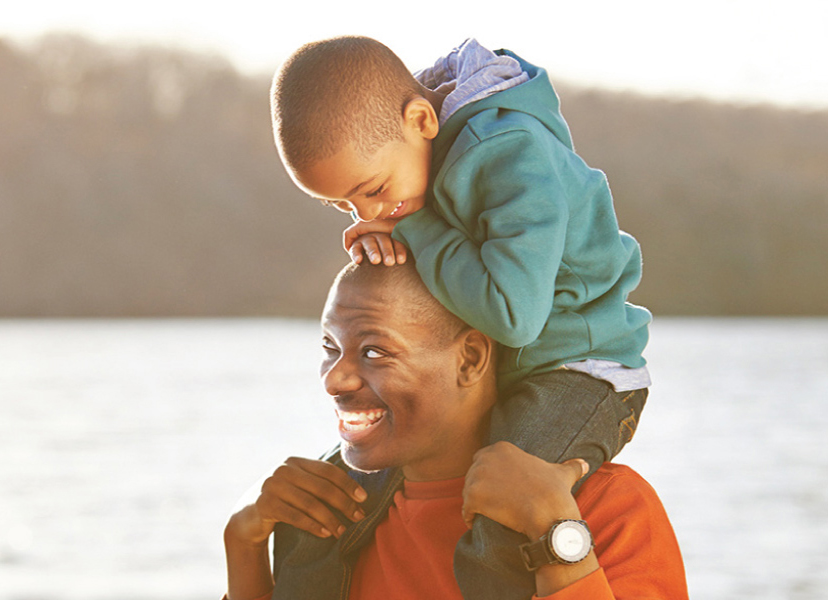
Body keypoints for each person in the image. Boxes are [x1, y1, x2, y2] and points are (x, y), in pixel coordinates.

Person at [268, 37, 652, 598]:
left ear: (422, 118)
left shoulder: (510, 154)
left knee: (499, 516)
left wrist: (415, 228)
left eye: (373, 192)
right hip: (513, 371)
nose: (370, 216)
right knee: (323, 507)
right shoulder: (421, 153)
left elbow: (512, 316)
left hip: (582, 373)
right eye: (347, 207)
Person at [223, 262, 685, 600]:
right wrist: (243, 541)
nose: (333, 379)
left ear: (470, 360)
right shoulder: (326, 513)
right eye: (330, 347)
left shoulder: (607, 507)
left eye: (374, 352)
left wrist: (555, 533)